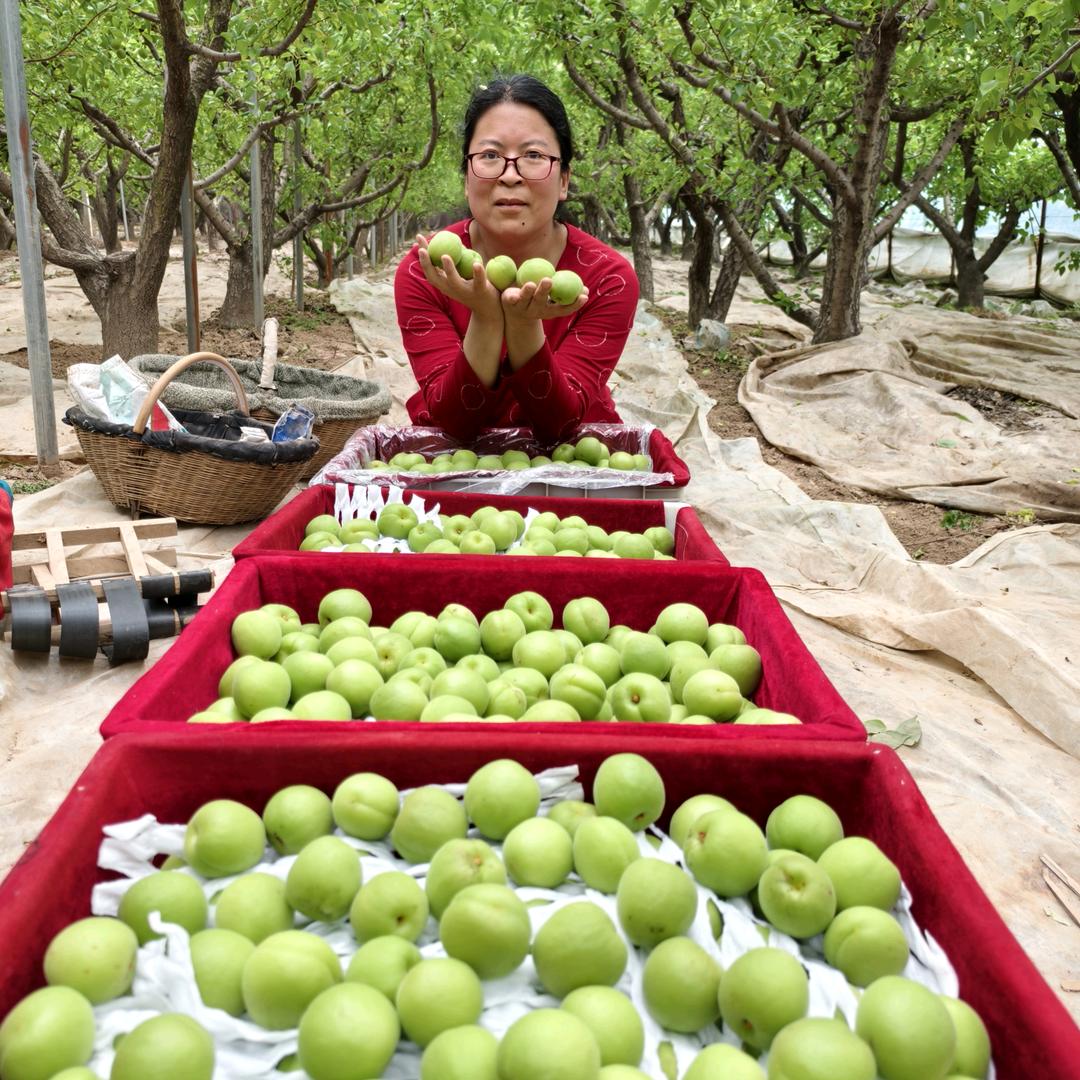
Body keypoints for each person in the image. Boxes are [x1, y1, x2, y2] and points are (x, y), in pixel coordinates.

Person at [394, 74, 639, 444]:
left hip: (575, 472)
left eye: (534, 156)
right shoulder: (426, 269)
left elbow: (558, 424)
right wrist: (488, 316)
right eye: (490, 155)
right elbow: (455, 423)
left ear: (564, 181)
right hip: (454, 475)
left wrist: (524, 325)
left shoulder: (607, 278)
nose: (510, 175)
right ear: (466, 178)